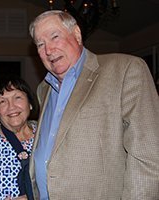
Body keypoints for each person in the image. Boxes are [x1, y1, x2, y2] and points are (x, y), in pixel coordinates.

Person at [28, 10, 159, 199]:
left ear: (77, 35)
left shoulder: (125, 70)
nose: (48, 50)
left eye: (54, 37)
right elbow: (60, 133)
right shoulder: (44, 89)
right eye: (40, 44)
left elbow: (148, 155)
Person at [0, 75, 39, 200]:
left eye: (18, 97)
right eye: (2, 101)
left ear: (30, 103)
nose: (11, 107)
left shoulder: (46, 136)